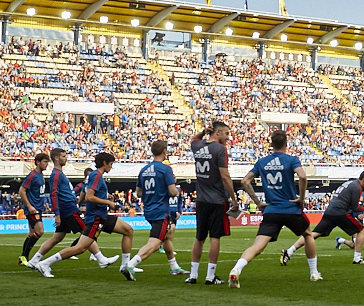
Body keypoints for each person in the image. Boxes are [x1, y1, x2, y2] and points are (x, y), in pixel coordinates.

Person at [228, 130, 320, 288]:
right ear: (286, 144)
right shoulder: (291, 160)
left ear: (271, 144)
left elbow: (245, 181)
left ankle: (237, 269)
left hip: (271, 210)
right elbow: (303, 177)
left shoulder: (262, 162)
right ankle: (314, 273)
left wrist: (258, 202)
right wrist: (302, 198)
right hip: (291, 209)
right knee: (308, 234)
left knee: (257, 246)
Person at [34, 152, 136, 278]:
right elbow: (89, 197)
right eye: (111, 164)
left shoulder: (92, 176)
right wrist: (108, 202)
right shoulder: (97, 176)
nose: (111, 167)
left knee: (128, 230)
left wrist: (103, 197)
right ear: (104, 163)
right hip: (96, 218)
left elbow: (82, 198)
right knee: (80, 248)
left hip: (101, 216)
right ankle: (44, 263)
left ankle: (126, 266)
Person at [120, 140, 188, 280]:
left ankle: (174, 266)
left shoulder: (144, 170)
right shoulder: (165, 169)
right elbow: (173, 191)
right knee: (155, 243)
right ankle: (130, 265)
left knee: (167, 235)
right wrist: (170, 189)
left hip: (149, 209)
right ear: (164, 151)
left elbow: (138, 193)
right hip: (160, 210)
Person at [281, 170, 364, 265]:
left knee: (313, 234)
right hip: (340, 212)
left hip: (330, 211)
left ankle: (289, 251)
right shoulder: (357, 187)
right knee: (361, 230)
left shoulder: (350, 183)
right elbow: (356, 208)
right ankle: (357, 258)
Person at [186, 122, 240, 285]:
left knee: (199, 237)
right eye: (226, 134)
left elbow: (193, 140)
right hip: (217, 200)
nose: (228, 137)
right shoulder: (220, 149)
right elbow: (224, 176)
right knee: (215, 237)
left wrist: (203, 132)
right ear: (218, 133)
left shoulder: (198, 146)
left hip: (201, 200)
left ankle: (193, 275)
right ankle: (210, 276)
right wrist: (233, 198)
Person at [19, 153, 49, 266]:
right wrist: (30, 206)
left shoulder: (40, 175)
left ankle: (23, 258)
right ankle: (24, 256)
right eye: (45, 162)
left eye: (47, 162)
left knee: (32, 233)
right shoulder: (32, 175)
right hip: (33, 209)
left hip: (38, 208)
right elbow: (21, 191)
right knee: (40, 231)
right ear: (37, 162)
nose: (47, 164)